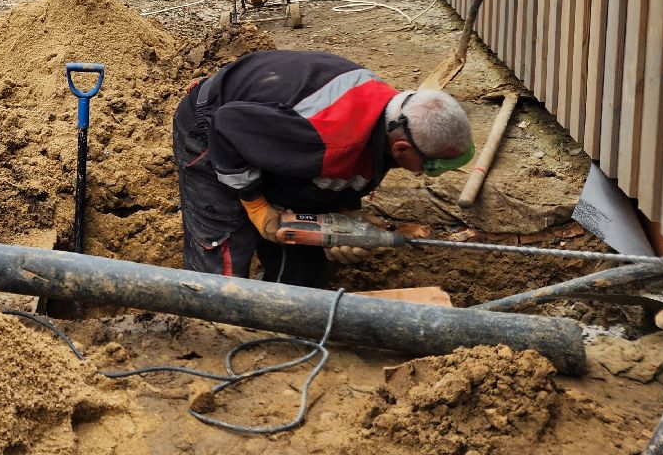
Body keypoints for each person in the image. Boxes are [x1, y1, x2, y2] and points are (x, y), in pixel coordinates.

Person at [173, 49, 473, 288]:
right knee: (221, 270)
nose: (425, 173)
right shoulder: (329, 139)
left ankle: (271, 310)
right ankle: (213, 330)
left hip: (274, 132)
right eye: (431, 166)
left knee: (306, 271)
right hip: (214, 128)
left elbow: (350, 166)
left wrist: (342, 216)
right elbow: (227, 124)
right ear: (402, 149)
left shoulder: (388, 114)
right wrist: (255, 205)